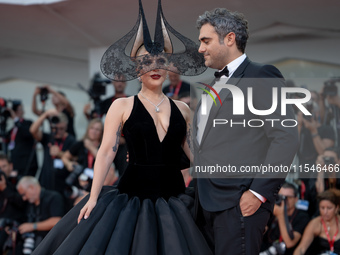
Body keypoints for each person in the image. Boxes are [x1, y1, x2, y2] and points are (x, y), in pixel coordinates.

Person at [30, 0, 211, 254]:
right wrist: (93, 198)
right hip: (131, 200)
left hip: (176, 200)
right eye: (147, 61)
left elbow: (200, 158)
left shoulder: (183, 109)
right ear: (137, 68)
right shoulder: (122, 106)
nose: (155, 66)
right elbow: (106, 152)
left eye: (160, 60)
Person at [193, 8, 299, 255]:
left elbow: (286, 137)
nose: (200, 48)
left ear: (229, 39)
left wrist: (258, 193)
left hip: (239, 203)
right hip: (203, 204)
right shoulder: (211, 85)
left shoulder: (262, 75)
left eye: (205, 40)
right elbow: (204, 144)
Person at [29, 109, 75, 191]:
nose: (59, 131)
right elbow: (33, 130)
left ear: (66, 127)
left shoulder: (71, 140)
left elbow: (75, 159)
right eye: (56, 128)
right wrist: (45, 115)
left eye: (62, 129)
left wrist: (60, 154)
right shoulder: (49, 137)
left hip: (62, 184)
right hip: (45, 180)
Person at [261, 182, 310, 255]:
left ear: (296, 199)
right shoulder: (273, 211)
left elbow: (289, 243)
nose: (284, 200)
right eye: (281, 197)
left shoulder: (302, 217)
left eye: (288, 197)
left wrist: (281, 215)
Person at [16, 176, 64, 249]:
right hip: (32, 243)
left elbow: (56, 221)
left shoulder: (54, 197)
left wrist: (32, 226)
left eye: (24, 194)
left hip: (51, 244)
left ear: (31, 187)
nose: (24, 198)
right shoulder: (29, 203)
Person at [293, 189, 340, 255]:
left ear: (336, 208)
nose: (325, 212)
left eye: (329, 208)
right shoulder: (315, 224)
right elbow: (301, 248)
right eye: (322, 208)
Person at [6, 101, 38, 177]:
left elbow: (28, 133)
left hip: (27, 165)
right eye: (15, 111)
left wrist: (16, 120)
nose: (17, 112)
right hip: (14, 164)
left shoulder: (28, 123)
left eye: (20, 109)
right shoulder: (11, 129)